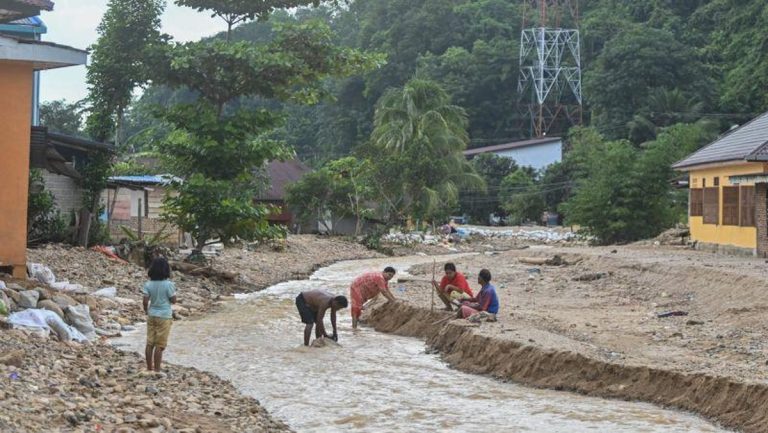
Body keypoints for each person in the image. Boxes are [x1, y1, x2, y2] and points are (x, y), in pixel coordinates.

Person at [142, 257, 177, 372]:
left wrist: (146, 311)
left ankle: (148, 368)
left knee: (150, 343)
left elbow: (145, 300)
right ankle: (157, 369)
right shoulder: (168, 284)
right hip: (164, 316)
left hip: (152, 314)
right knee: (160, 344)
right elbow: (173, 300)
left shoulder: (148, 284)